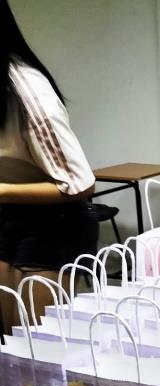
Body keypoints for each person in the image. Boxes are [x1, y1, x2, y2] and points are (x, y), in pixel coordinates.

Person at [0, 0, 97, 331]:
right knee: (8, 336)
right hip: (8, 214)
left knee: (36, 340)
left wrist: (2, 191)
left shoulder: (29, 93)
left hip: (56, 221)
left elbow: (79, 183)